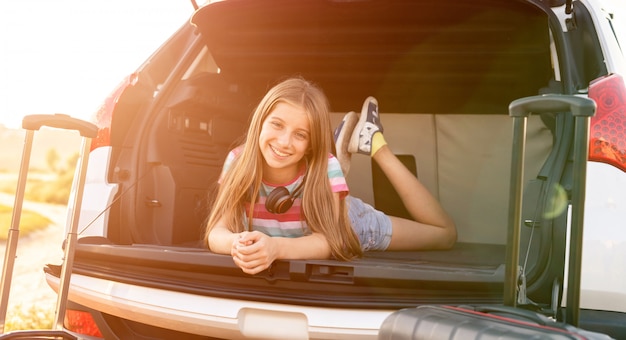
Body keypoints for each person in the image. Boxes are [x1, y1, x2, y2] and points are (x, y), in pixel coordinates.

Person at [205, 77, 456, 275]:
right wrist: (236, 244)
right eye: (277, 124)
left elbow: (329, 242)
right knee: (327, 171)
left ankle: (374, 141)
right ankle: (337, 165)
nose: (284, 142)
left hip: (345, 225)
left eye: (300, 135)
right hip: (319, 191)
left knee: (445, 235)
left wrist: (276, 248)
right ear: (260, 122)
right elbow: (216, 232)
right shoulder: (237, 161)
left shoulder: (325, 167)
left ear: (311, 145)